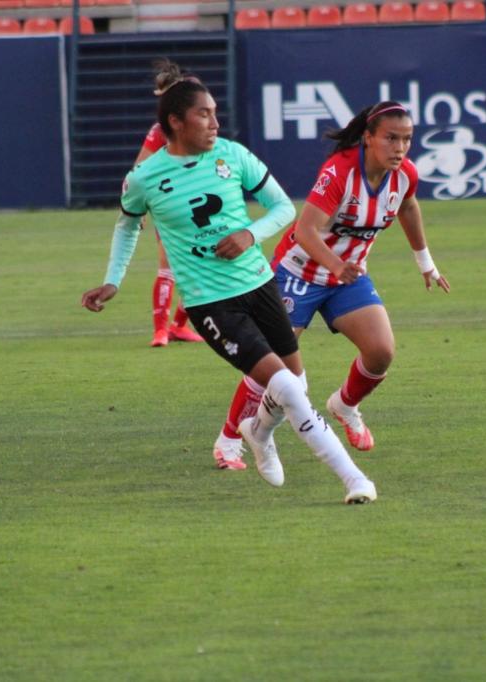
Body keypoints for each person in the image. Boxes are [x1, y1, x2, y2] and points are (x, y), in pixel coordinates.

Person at [81, 60, 377, 504]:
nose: (215, 122)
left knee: (297, 382)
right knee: (288, 388)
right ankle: (354, 479)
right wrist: (112, 281)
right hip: (210, 303)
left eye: (216, 112)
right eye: (204, 114)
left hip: (259, 285)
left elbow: (282, 210)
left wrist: (249, 234)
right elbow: (127, 225)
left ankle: (257, 432)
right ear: (175, 122)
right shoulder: (145, 178)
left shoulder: (233, 155)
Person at [211, 100, 450, 466]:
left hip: (346, 278)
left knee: (381, 351)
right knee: (273, 365)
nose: (400, 148)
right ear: (368, 138)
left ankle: (345, 405)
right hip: (298, 273)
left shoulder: (405, 175)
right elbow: (305, 231)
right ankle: (229, 439)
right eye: (391, 138)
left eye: (407, 139)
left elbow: (407, 207)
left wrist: (425, 262)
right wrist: (337, 265)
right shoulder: (339, 172)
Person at [139, 114, 204, 348]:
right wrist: (139, 208)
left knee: (200, 268)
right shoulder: (162, 130)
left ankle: (178, 326)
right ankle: (160, 331)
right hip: (171, 205)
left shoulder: (207, 128)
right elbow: (140, 167)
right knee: (168, 265)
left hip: (200, 207)